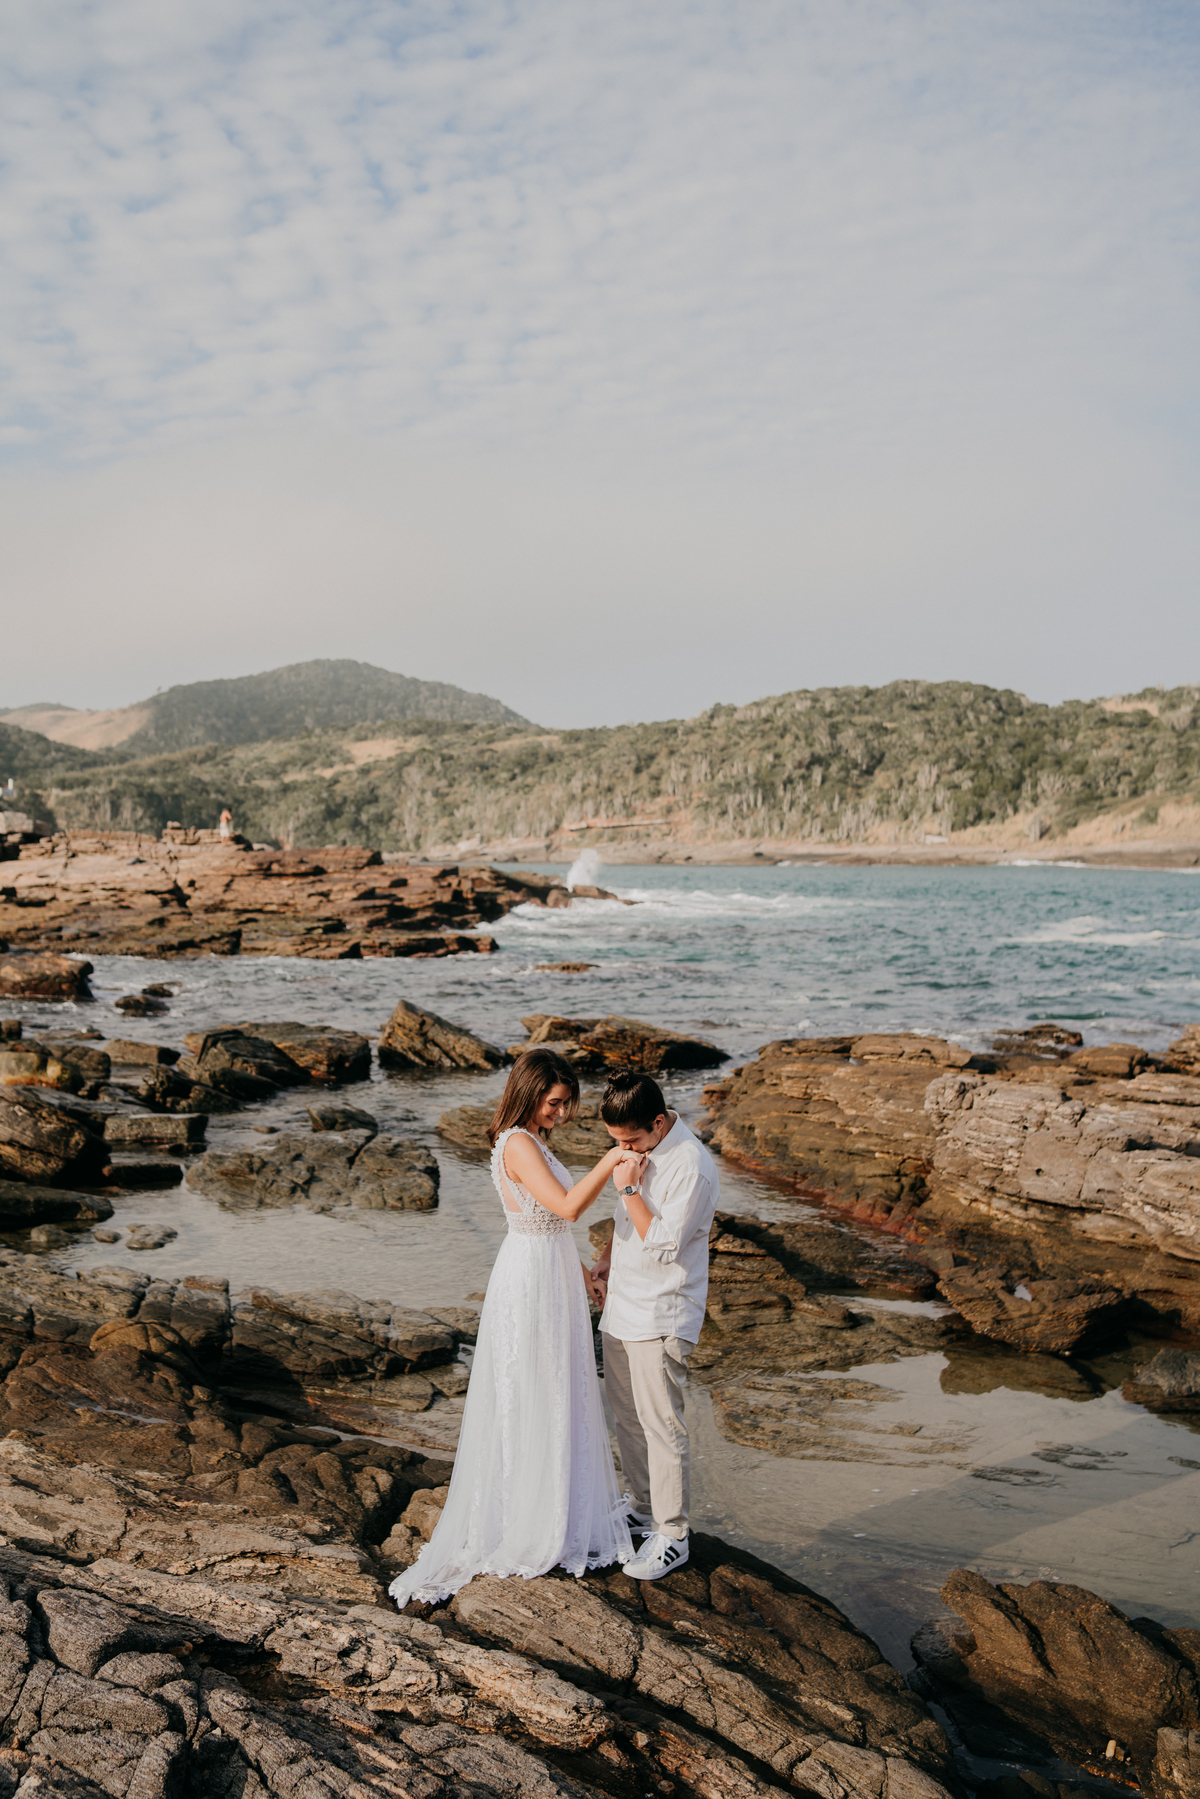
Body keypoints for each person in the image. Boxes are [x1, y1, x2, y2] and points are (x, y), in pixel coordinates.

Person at [389, 1047, 637, 1608]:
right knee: (534, 1390)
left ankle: (554, 1507)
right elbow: (568, 1209)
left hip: (549, 1270)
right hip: (530, 1281)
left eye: (567, 1104)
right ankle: (529, 1519)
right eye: (555, 1103)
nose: (562, 1113)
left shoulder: (532, 1140)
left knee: (555, 1389)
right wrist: (612, 1158)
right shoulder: (520, 1143)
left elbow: (545, 1220)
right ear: (529, 1093)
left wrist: (584, 1274)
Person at [589, 1071, 719, 1581]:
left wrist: (627, 1188)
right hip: (623, 1304)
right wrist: (605, 1259)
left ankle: (673, 1534)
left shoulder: (692, 1166)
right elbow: (626, 1222)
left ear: (659, 1123)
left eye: (630, 1140)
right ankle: (642, 1509)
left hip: (662, 1311)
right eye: (615, 1141)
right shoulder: (641, 1150)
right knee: (627, 1417)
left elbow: (664, 1245)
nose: (622, 1149)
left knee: (663, 1425)